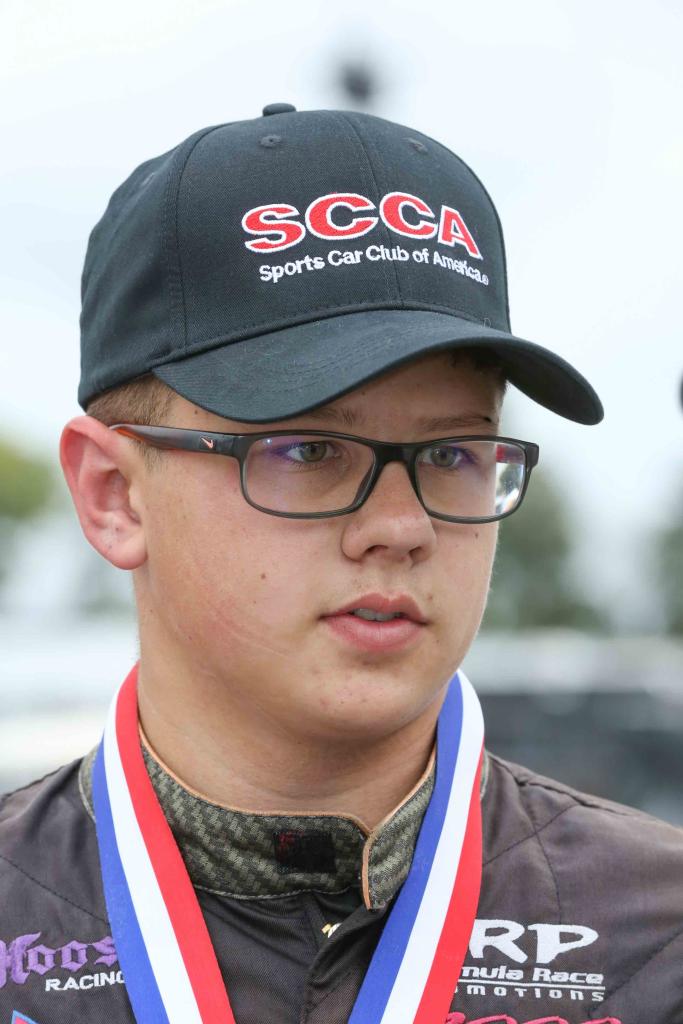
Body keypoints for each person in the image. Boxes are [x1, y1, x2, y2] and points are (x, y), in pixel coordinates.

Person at [1, 104, 682, 1024]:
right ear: (114, 495)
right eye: (308, 450)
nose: (401, 527)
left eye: (451, 453)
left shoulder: (661, 933)